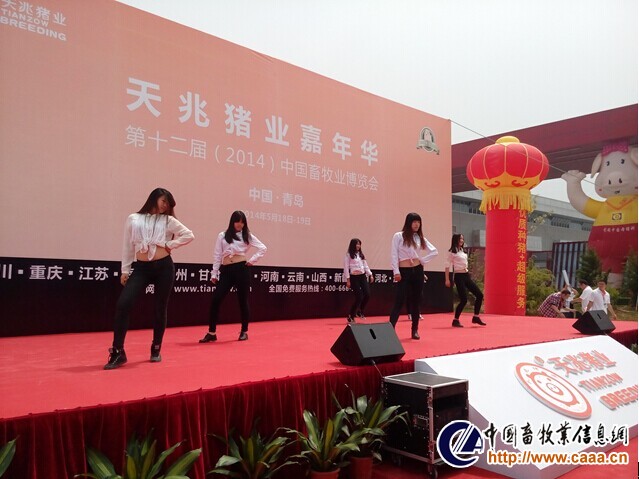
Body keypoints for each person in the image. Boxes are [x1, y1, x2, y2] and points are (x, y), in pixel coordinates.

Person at [105, 188, 194, 370]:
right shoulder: (134, 218)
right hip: (141, 268)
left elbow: (189, 235)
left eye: (168, 204)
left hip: (164, 268)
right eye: (163, 201)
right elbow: (128, 245)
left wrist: (169, 245)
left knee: (160, 308)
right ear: (154, 198)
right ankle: (118, 351)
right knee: (123, 304)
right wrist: (125, 270)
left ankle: (156, 347)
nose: (165, 205)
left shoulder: (167, 220)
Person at [200, 210, 267, 343]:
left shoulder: (247, 235)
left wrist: (252, 261)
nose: (240, 224)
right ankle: (212, 332)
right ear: (232, 221)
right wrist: (214, 273)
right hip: (226, 270)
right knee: (216, 299)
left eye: (242, 222)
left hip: (241, 268)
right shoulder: (222, 235)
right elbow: (217, 255)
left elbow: (263, 248)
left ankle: (244, 331)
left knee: (242, 300)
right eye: (237, 221)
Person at [389, 212, 438, 339]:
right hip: (403, 271)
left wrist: (422, 261)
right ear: (408, 222)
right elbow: (394, 254)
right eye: (414, 222)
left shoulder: (419, 238)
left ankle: (414, 329)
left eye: (419, 222)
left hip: (417, 271)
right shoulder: (398, 236)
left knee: (416, 300)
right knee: (399, 300)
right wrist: (396, 272)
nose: (417, 224)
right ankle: (390, 329)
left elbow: (434, 251)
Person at [444, 234, 486, 328]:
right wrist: (447, 279)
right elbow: (447, 266)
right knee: (464, 300)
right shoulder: (452, 252)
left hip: (466, 275)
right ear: (456, 240)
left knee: (479, 295)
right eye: (460, 239)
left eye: (462, 239)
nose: (462, 240)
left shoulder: (463, 251)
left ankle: (476, 317)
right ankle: (455, 320)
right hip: (458, 276)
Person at [343, 238, 374, 323]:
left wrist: (370, 274)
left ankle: (360, 311)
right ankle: (351, 315)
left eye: (359, 244)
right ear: (353, 245)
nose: (358, 246)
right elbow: (346, 268)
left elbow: (365, 266)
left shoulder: (361, 255)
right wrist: (348, 280)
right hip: (354, 277)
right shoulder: (348, 255)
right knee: (359, 297)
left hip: (362, 276)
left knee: (367, 294)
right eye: (357, 244)